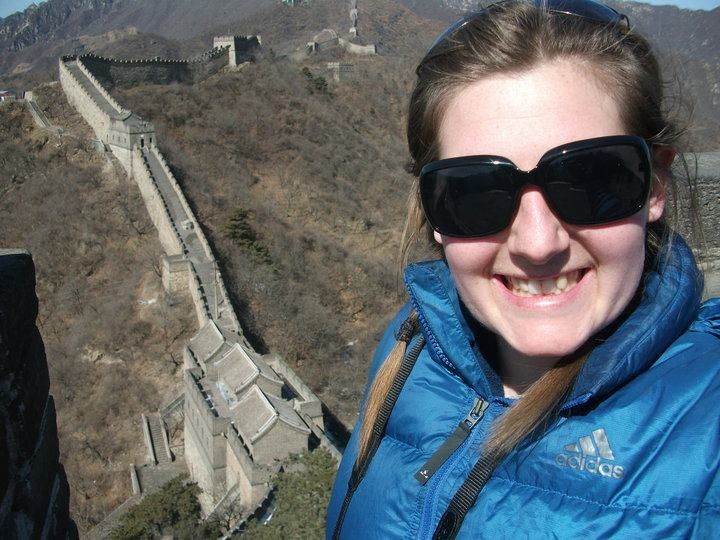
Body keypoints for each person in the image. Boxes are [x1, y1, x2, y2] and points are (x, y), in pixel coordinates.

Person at [326, 0, 720, 538]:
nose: (538, 244)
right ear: (434, 213)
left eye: (590, 180)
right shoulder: (407, 349)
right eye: (475, 193)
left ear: (654, 186)